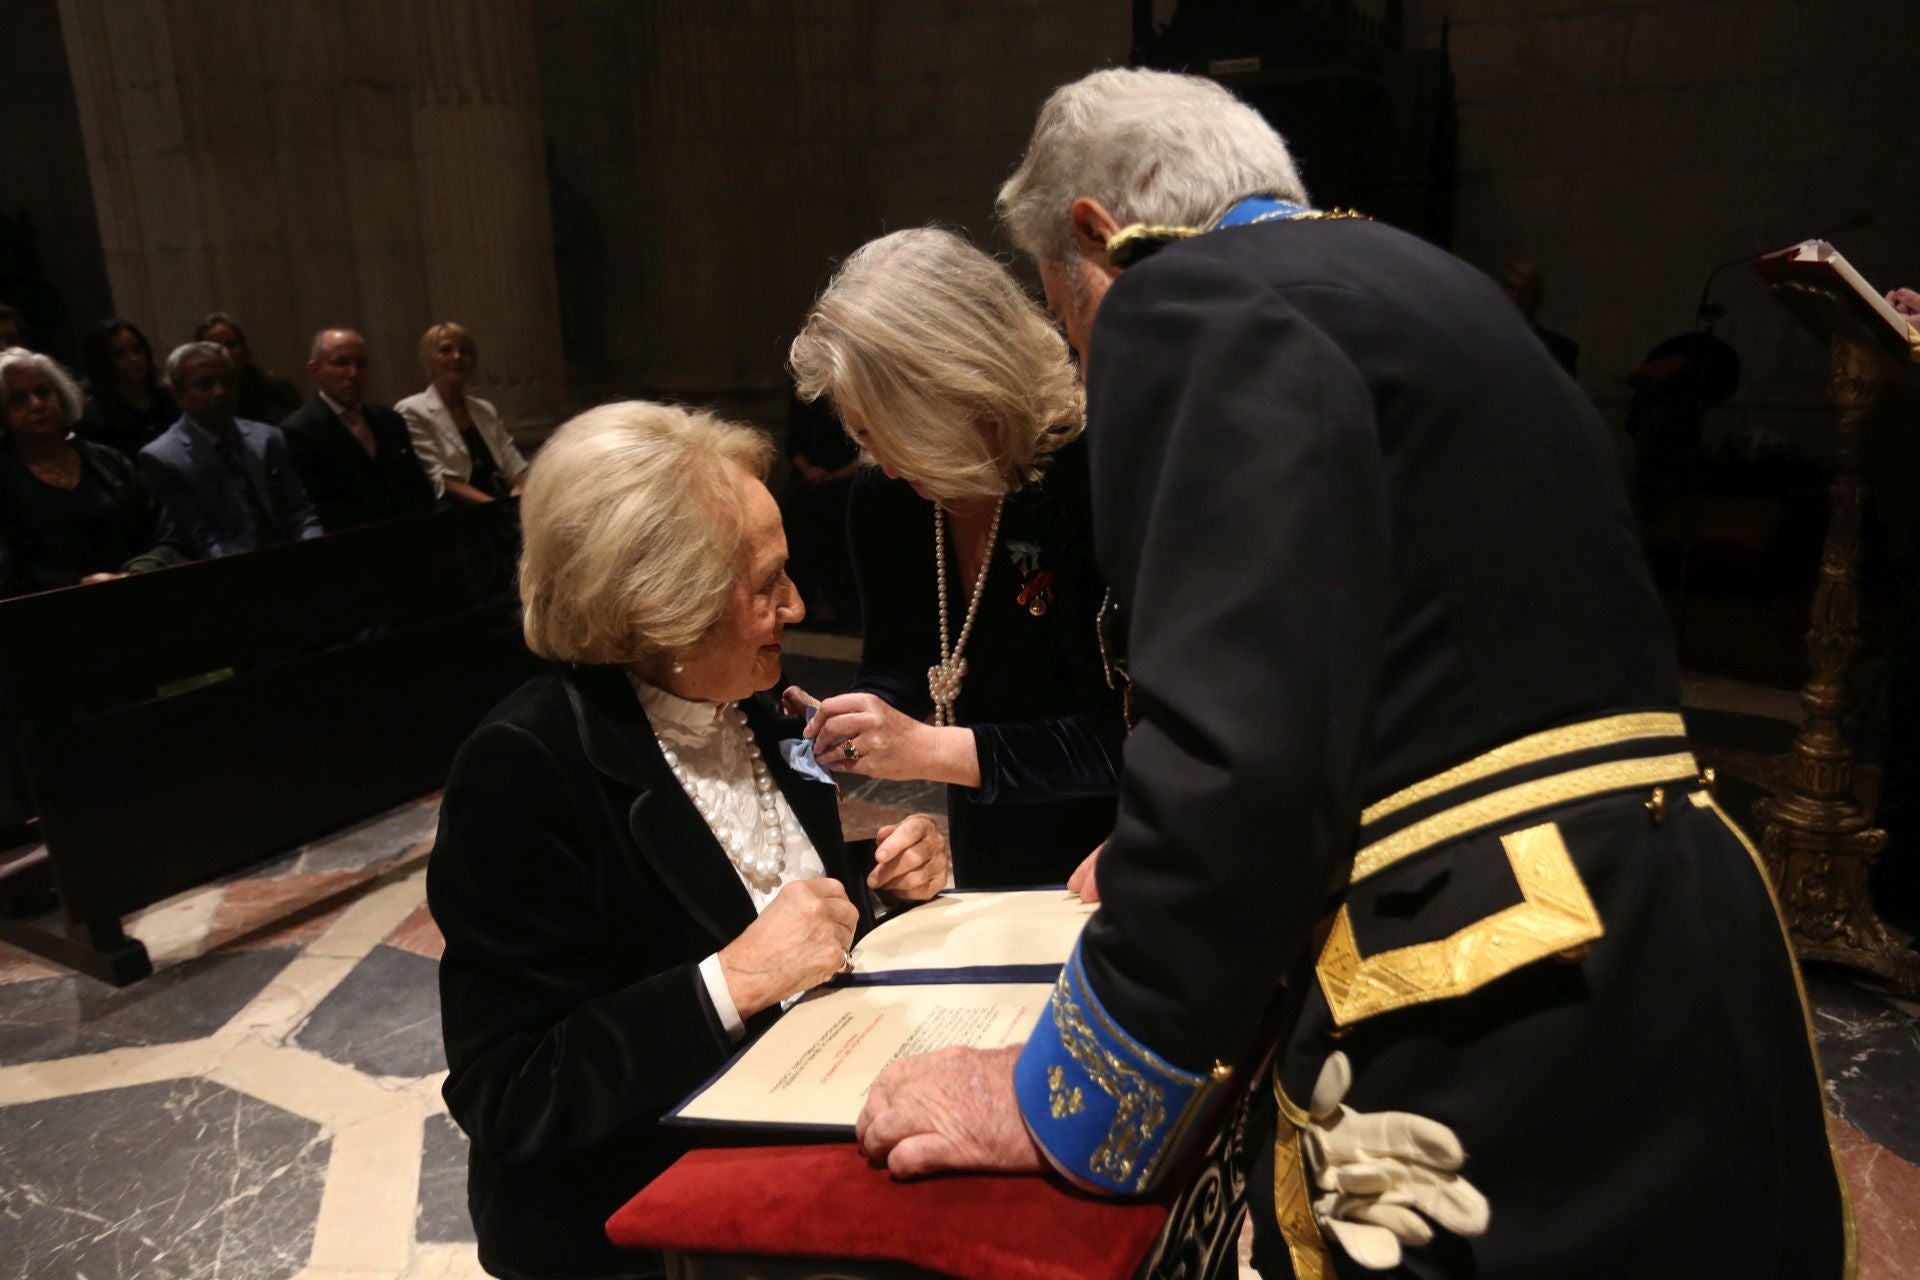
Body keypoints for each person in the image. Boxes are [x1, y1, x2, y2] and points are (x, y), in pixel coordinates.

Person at [855, 68, 1850, 1280]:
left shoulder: (1188, 303)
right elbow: (1423, 668)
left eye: (1069, 316)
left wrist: (1060, 1099)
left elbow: (1236, 750)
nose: (1082, 348)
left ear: (1093, 234)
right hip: (1664, 904)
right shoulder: (1434, 286)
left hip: (1476, 959)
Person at [430, 399, 949, 1280]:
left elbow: (738, 884)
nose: (794, 602)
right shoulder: (525, 766)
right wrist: (730, 981)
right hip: (644, 1222)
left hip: (799, 1141)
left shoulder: (755, 699)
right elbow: (510, 1092)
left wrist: (878, 881)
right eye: (764, 584)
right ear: (657, 604)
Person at [788, 227, 1125, 888]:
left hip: (1122, 857)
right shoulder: (886, 495)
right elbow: (902, 666)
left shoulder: (1095, 472)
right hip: (990, 853)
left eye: (895, 426)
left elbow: (1142, 739)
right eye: (860, 431)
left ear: (968, 387)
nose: (882, 459)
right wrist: (850, 729)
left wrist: (932, 748)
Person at [0, 347, 185, 597]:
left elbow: (166, 532)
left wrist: (136, 572)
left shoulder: (108, 461)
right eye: (18, 399)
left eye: (43, 392)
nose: (37, 404)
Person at [137, 343, 325, 559]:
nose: (220, 392)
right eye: (204, 385)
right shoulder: (163, 457)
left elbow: (300, 510)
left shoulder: (267, 438)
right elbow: (201, 536)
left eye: (227, 382)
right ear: (178, 394)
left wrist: (312, 553)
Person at [281, 328, 435, 532]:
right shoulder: (297, 431)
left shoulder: (390, 420)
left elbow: (419, 491)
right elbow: (314, 511)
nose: (353, 374)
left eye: (361, 364)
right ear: (314, 369)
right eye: (341, 363)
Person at [395, 322, 528, 506]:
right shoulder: (411, 410)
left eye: (465, 351)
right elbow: (441, 479)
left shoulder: (484, 409)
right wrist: (494, 506)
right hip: (458, 513)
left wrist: (519, 490)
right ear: (429, 359)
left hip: (502, 502)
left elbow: (514, 463)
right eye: (446, 350)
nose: (457, 357)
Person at [779, 389, 859, 626]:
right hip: (810, 478)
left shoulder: (852, 393)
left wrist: (835, 475)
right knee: (803, 519)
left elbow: (865, 451)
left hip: (848, 479)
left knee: (838, 521)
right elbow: (793, 443)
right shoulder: (803, 396)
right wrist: (811, 471)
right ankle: (808, 598)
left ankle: (840, 602)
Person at [76, 318, 177, 457]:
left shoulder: (169, 399)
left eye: (136, 349)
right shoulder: (95, 421)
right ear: (102, 363)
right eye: (119, 355)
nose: (133, 359)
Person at [193, 312, 303, 425]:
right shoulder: (195, 395)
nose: (225, 352)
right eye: (214, 347)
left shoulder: (275, 388)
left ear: (244, 349)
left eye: (231, 345)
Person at [1499, 260, 1580, 377]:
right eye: (1510, 288)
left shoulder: (1561, 350)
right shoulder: (1485, 344)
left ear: (1537, 296)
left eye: (1524, 291)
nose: (1516, 297)